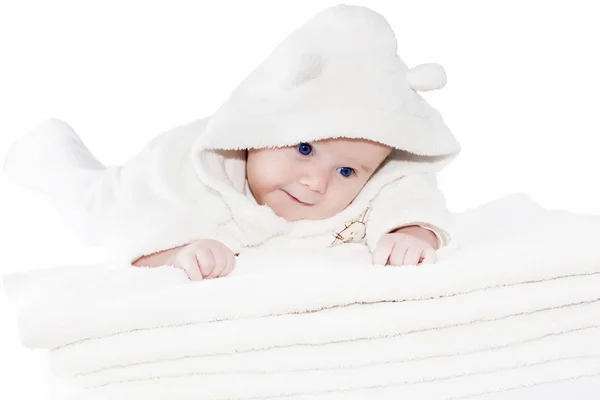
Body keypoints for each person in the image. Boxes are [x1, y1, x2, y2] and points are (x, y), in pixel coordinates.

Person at [2, 5, 461, 281]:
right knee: (92, 204)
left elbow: (409, 195)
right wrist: (179, 252)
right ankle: (47, 150)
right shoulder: (199, 171)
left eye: (346, 172)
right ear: (262, 131)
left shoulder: (379, 170)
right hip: (144, 181)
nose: (316, 182)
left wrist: (410, 232)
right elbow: (142, 228)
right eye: (303, 149)